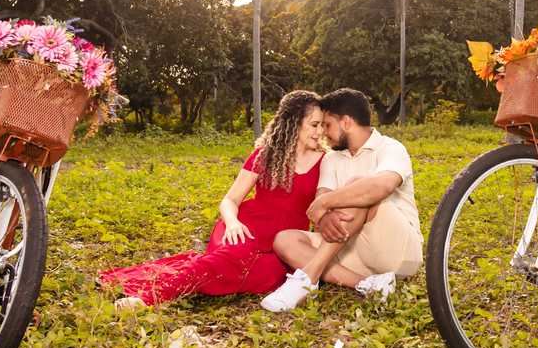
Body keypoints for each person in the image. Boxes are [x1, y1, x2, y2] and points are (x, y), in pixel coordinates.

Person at [101, 90, 325, 310]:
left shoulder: (326, 161)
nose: (321, 131)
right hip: (246, 227)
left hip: (287, 237)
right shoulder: (263, 155)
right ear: (294, 122)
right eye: (314, 124)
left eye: (323, 125)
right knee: (229, 262)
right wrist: (233, 222)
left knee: (269, 273)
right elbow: (230, 200)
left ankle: (187, 273)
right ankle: (149, 298)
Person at [261, 88, 422, 312]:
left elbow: (382, 186)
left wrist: (326, 205)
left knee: (358, 184)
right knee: (284, 240)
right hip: (353, 250)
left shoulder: (391, 148)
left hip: (399, 252)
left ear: (346, 122)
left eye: (327, 125)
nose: (324, 133)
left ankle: (308, 277)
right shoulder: (332, 159)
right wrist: (325, 213)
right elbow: (321, 201)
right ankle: (367, 284)